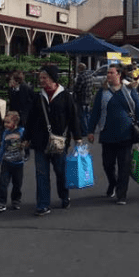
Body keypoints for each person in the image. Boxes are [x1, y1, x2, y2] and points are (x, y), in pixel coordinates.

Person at [23, 64, 81, 216]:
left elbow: (73, 117)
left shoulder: (65, 96)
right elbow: (31, 119)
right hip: (40, 142)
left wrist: (78, 137)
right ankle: (43, 204)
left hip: (59, 142)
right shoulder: (38, 97)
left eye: (44, 78)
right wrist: (26, 138)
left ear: (53, 79)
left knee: (60, 171)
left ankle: (64, 195)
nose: (41, 80)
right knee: (41, 174)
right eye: (40, 78)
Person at [87, 64, 139, 205]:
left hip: (125, 134)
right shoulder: (103, 92)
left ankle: (121, 195)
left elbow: (138, 110)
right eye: (107, 73)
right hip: (107, 134)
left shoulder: (129, 90)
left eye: (111, 73)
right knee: (107, 164)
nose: (108, 75)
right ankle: (112, 183)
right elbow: (95, 112)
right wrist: (90, 130)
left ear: (118, 74)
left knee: (124, 166)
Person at [0, 111, 26, 212]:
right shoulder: (5, 133)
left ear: (15, 123)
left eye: (8, 123)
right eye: (5, 123)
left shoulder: (21, 131)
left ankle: (16, 200)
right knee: (2, 183)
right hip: (6, 162)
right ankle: (1, 202)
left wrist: (25, 148)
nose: (5, 125)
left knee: (17, 184)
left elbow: (27, 143)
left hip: (18, 163)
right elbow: (2, 147)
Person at [72, 62, 93, 136]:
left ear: (80, 68)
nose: (77, 69)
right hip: (88, 97)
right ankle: (89, 129)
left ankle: (85, 130)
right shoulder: (89, 75)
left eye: (78, 68)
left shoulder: (81, 76)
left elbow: (77, 88)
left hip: (82, 98)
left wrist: (73, 87)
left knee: (82, 115)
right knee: (87, 114)